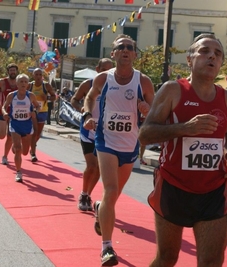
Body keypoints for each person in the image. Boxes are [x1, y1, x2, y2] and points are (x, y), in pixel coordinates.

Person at [139, 33, 227, 267]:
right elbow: (145, 134)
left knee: (212, 261)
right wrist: (185, 128)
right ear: (189, 59)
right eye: (204, 51)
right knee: (167, 258)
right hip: (174, 186)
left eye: (217, 53)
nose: (211, 56)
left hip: (213, 189)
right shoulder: (173, 90)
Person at [83, 34, 154, 266]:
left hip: (130, 143)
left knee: (112, 197)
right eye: (120, 47)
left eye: (129, 47)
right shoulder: (103, 79)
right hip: (106, 140)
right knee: (111, 190)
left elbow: (155, 113)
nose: (125, 50)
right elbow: (90, 97)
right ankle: (107, 248)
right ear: (113, 54)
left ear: (134, 54)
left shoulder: (143, 82)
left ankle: (100, 208)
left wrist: (146, 110)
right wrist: (86, 115)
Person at [71, 58, 114, 211]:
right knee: (92, 166)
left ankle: (88, 194)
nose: (106, 73)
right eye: (104, 70)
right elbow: (74, 100)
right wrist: (83, 110)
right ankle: (83, 193)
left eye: (109, 70)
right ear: (97, 69)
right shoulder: (88, 84)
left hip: (104, 131)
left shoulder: (115, 86)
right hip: (88, 129)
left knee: (99, 169)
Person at [1, 74, 40, 182]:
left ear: (28, 84)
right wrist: (4, 113)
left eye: (25, 82)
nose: (23, 84)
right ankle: (19, 172)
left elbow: (38, 106)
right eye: (21, 82)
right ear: (17, 84)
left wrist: (35, 112)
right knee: (18, 149)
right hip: (15, 124)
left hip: (27, 125)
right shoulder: (11, 95)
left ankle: (16, 145)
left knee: (25, 152)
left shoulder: (31, 96)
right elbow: (4, 107)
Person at [28, 68, 57, 162]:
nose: (38, 77)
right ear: (33, 75)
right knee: (34, 132)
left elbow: (54, 97)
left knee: (37, 135)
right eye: (36, 74)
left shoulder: (46, 85)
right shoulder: (30, 85)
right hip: (32, 111)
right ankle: (33, 153)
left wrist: (47, 97)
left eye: (40, 74)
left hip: (43, 111)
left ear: (42, 76)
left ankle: (31, 146)